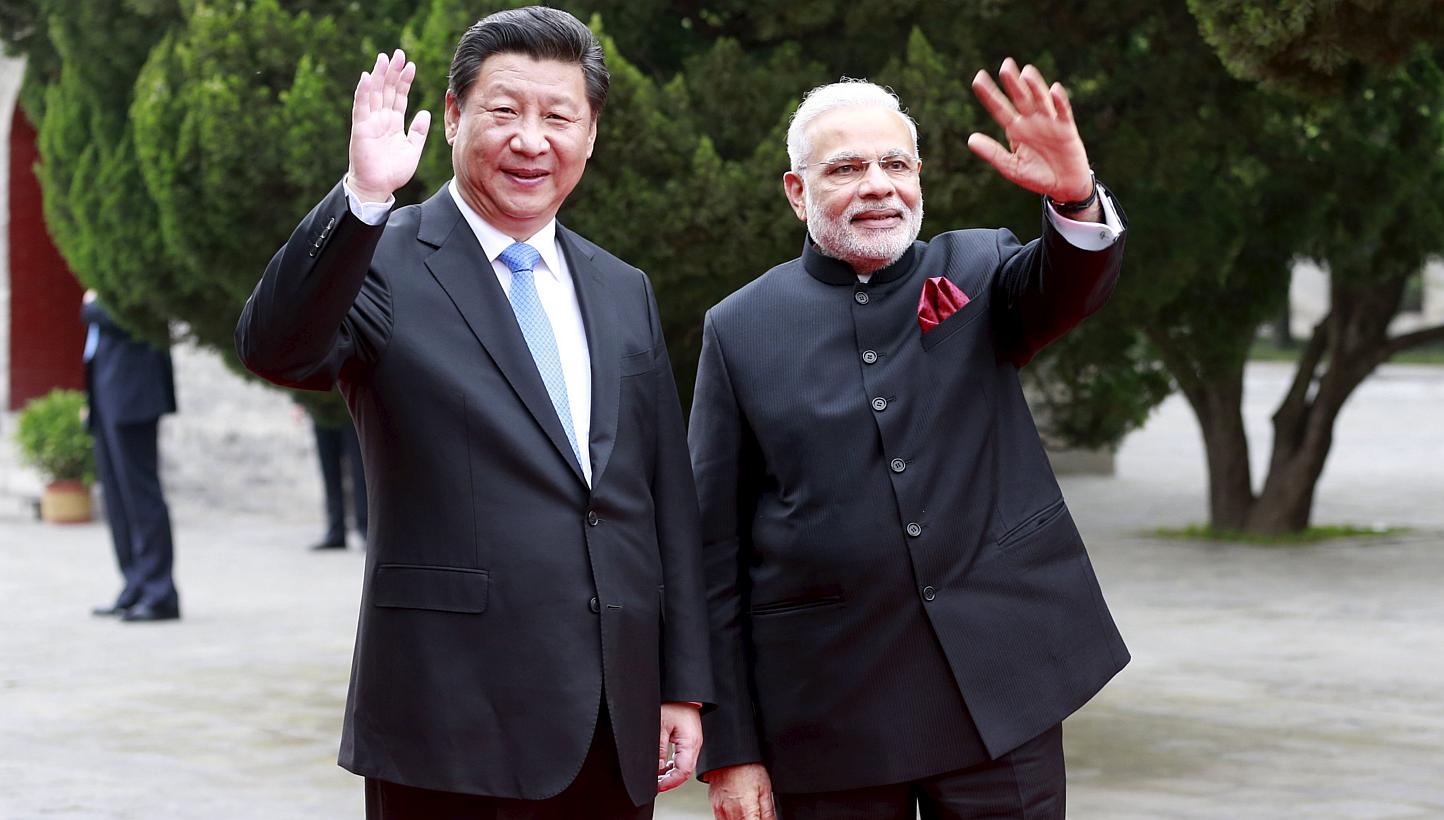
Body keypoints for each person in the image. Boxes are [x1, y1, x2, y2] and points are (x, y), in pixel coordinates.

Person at [235, 7, 713, 817]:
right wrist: (362, 197)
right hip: (448, 717)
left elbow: (660, 496)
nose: (532, 140)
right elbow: (276, 348)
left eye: (559, 116)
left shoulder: (620, 287)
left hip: (611, 715)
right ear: (453, 116)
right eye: (504, 110)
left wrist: (684, 684)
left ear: (590, 135)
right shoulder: (382, 260)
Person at [689, 62, 1130, 820]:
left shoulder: (979, 267)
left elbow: (1070, 282)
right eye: (847, 168)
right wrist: (732, 746)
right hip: (829, 710)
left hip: (1003, 685)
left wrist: (1073, 195)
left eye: (896, 164)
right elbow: (712, 555)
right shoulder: (739, 327)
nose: (879, 185)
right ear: (798, 193)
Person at [83, 290, 180, 623]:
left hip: (133, 394)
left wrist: (93, 305)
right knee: (117, 497)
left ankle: (160, 591)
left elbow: (139, 322)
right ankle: (135, 583)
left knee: (141, 496)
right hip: (107, 393)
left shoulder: (130, 275)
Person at [303, 397, 367, 551]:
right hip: (320, 409)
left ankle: (365, 529)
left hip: (350, 408)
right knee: (329, 471)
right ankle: (336, 530)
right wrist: (300, 400)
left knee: (360, 472)